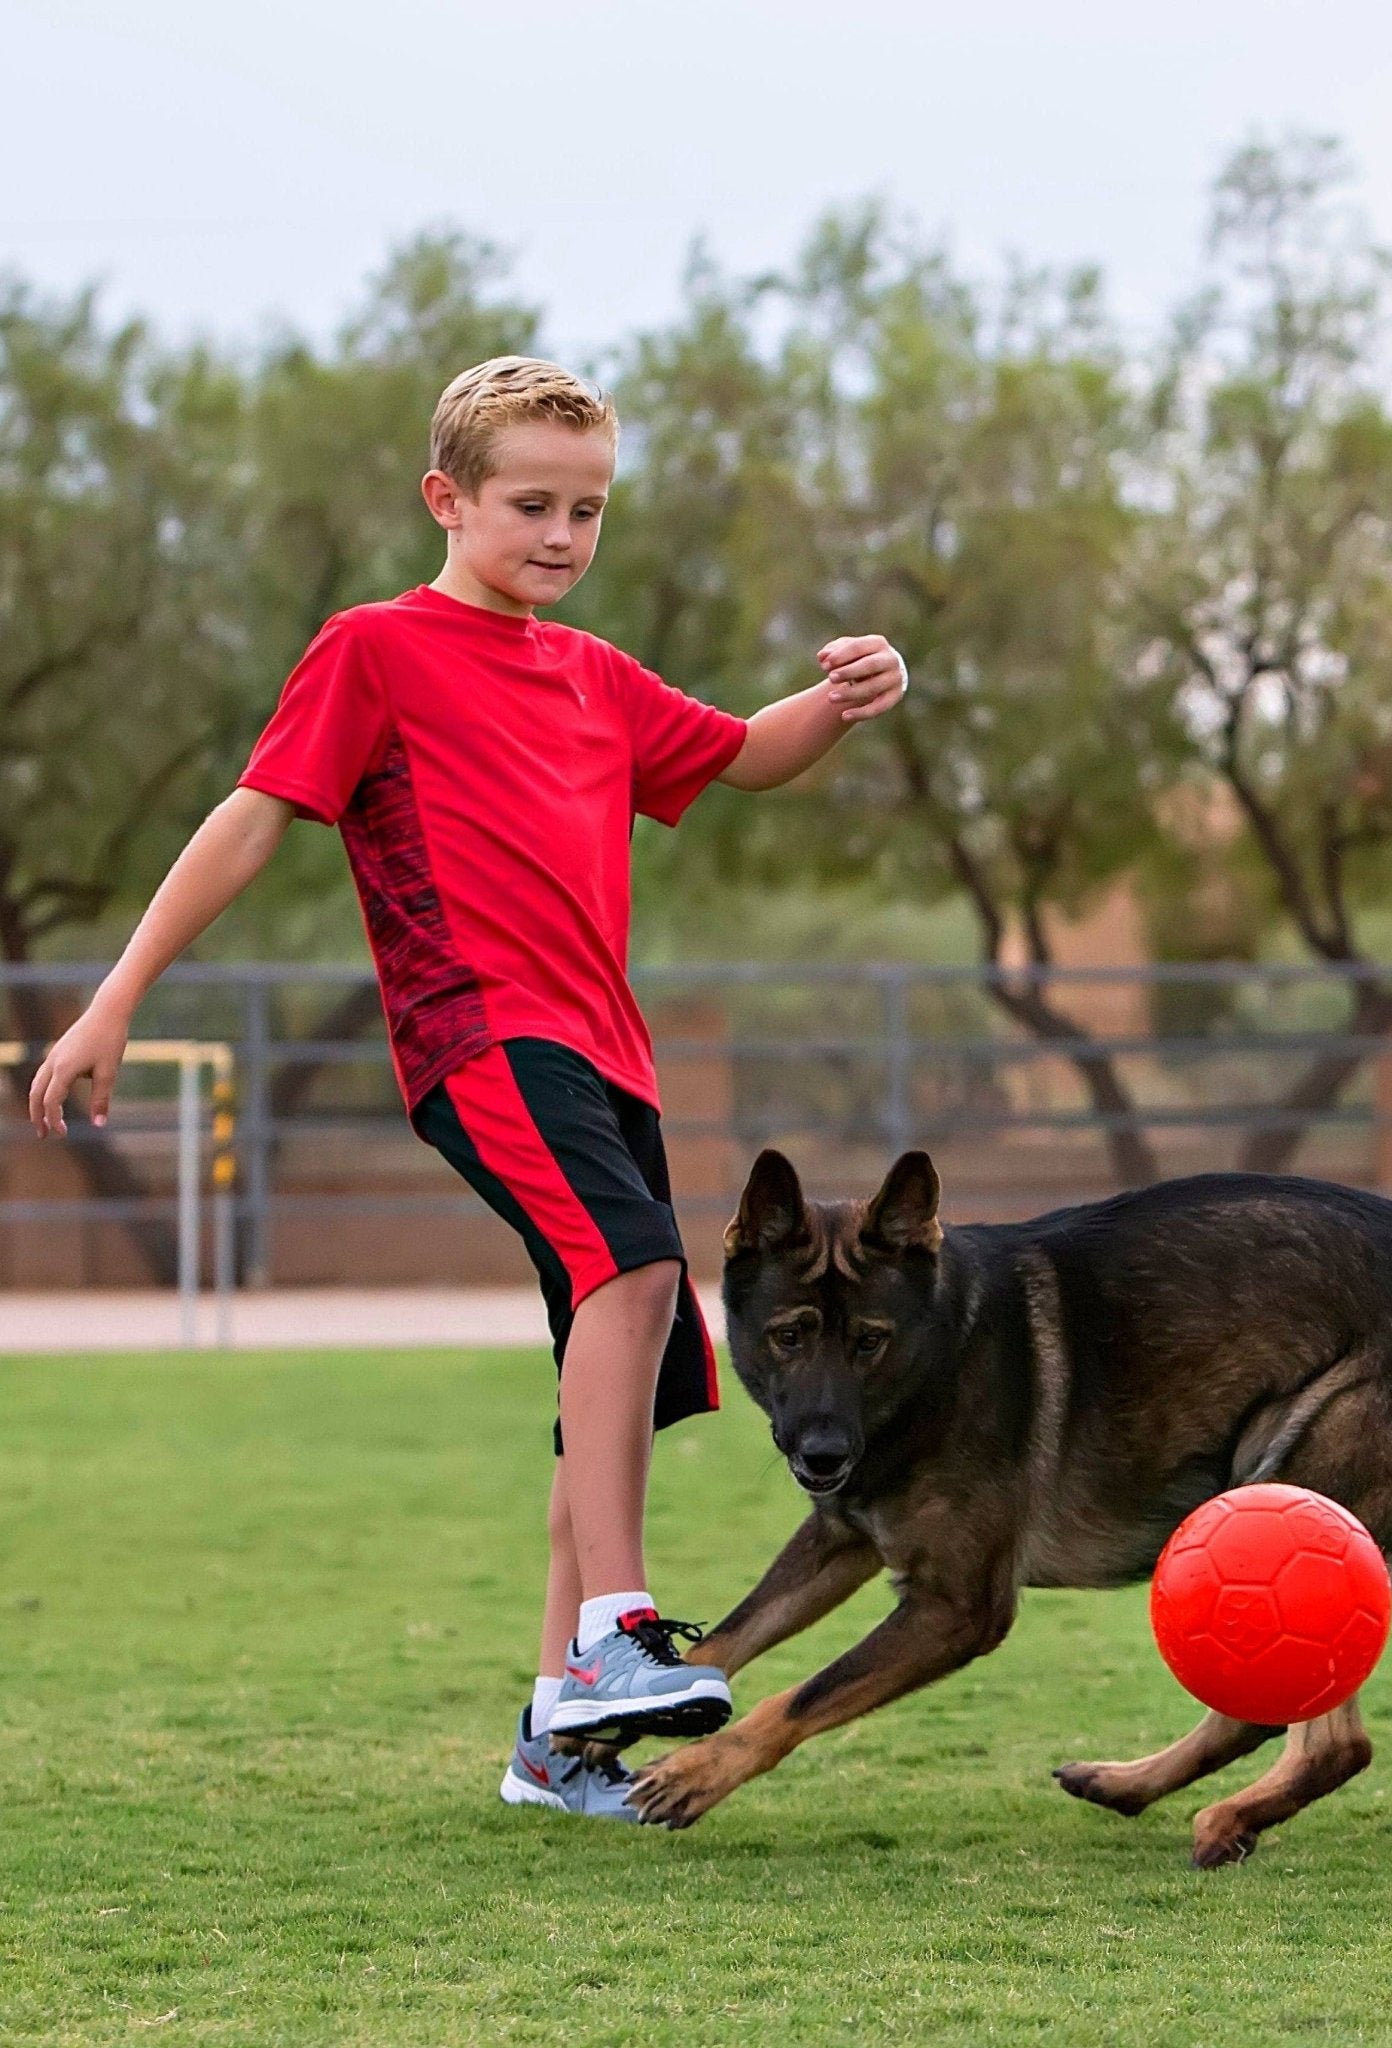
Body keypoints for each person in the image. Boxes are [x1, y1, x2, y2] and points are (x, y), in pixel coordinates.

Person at [26, 355, 908, 1823]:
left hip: (607, 1053)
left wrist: (842, 699)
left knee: (611, 1344)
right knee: (632, 1273)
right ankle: (618, 1635)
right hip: (482, 1037)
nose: (564, 534)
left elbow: (747, 758)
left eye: (590, 509)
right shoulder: (375, 649)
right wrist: (117, 996)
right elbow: (250, 824)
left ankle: (557, 1746)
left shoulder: (597, 675)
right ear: (449, 499)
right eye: (532, 505)